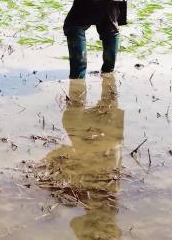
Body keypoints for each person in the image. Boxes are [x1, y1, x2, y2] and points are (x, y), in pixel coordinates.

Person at [42, 76, 125, 239]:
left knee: (72, 117)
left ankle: (83, 79)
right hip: (108, 153)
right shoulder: (105, 205)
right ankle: (107, 74)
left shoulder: (91, 199)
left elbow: (75, 223)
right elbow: (75, 222)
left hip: (106, 156)